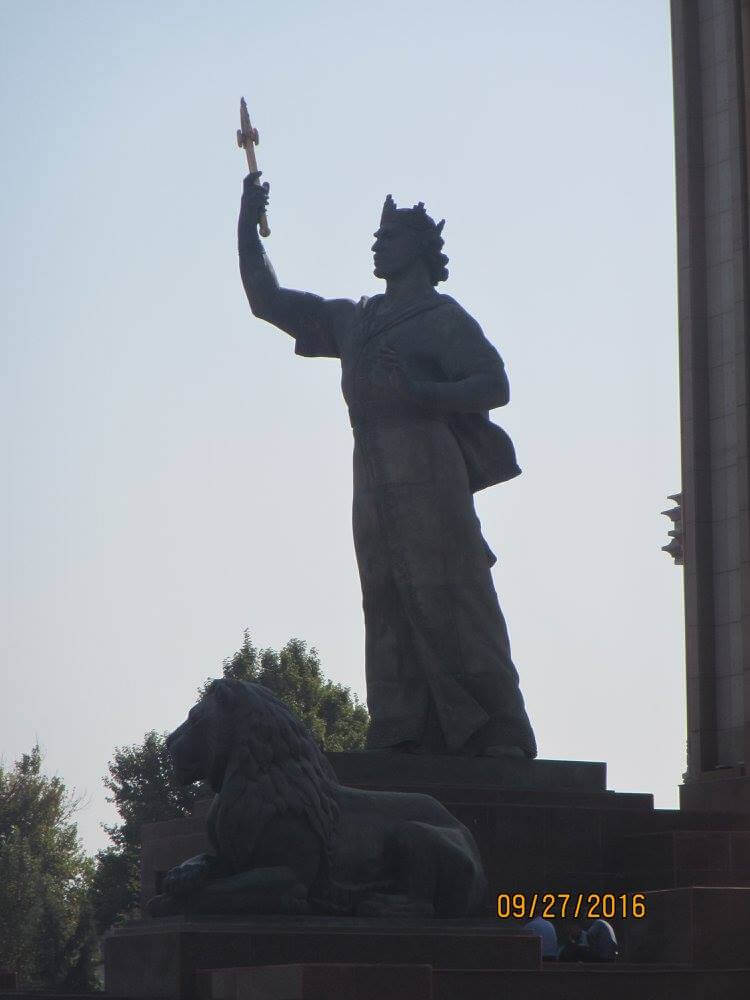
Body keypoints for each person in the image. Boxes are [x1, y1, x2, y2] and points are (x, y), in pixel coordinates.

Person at [237, 175, 536, 758]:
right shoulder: (354, 320)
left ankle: (499, 730)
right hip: (373, 473)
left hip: (430, 467)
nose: (376, 245)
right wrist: (248, 225)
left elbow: (493, 384)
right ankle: (402, 728)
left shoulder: (441, 317)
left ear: (419, 248)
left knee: (456, 593)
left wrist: (422, 392)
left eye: (389, 237)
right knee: (386, 595)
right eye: (375, 237)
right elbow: (267, 301)